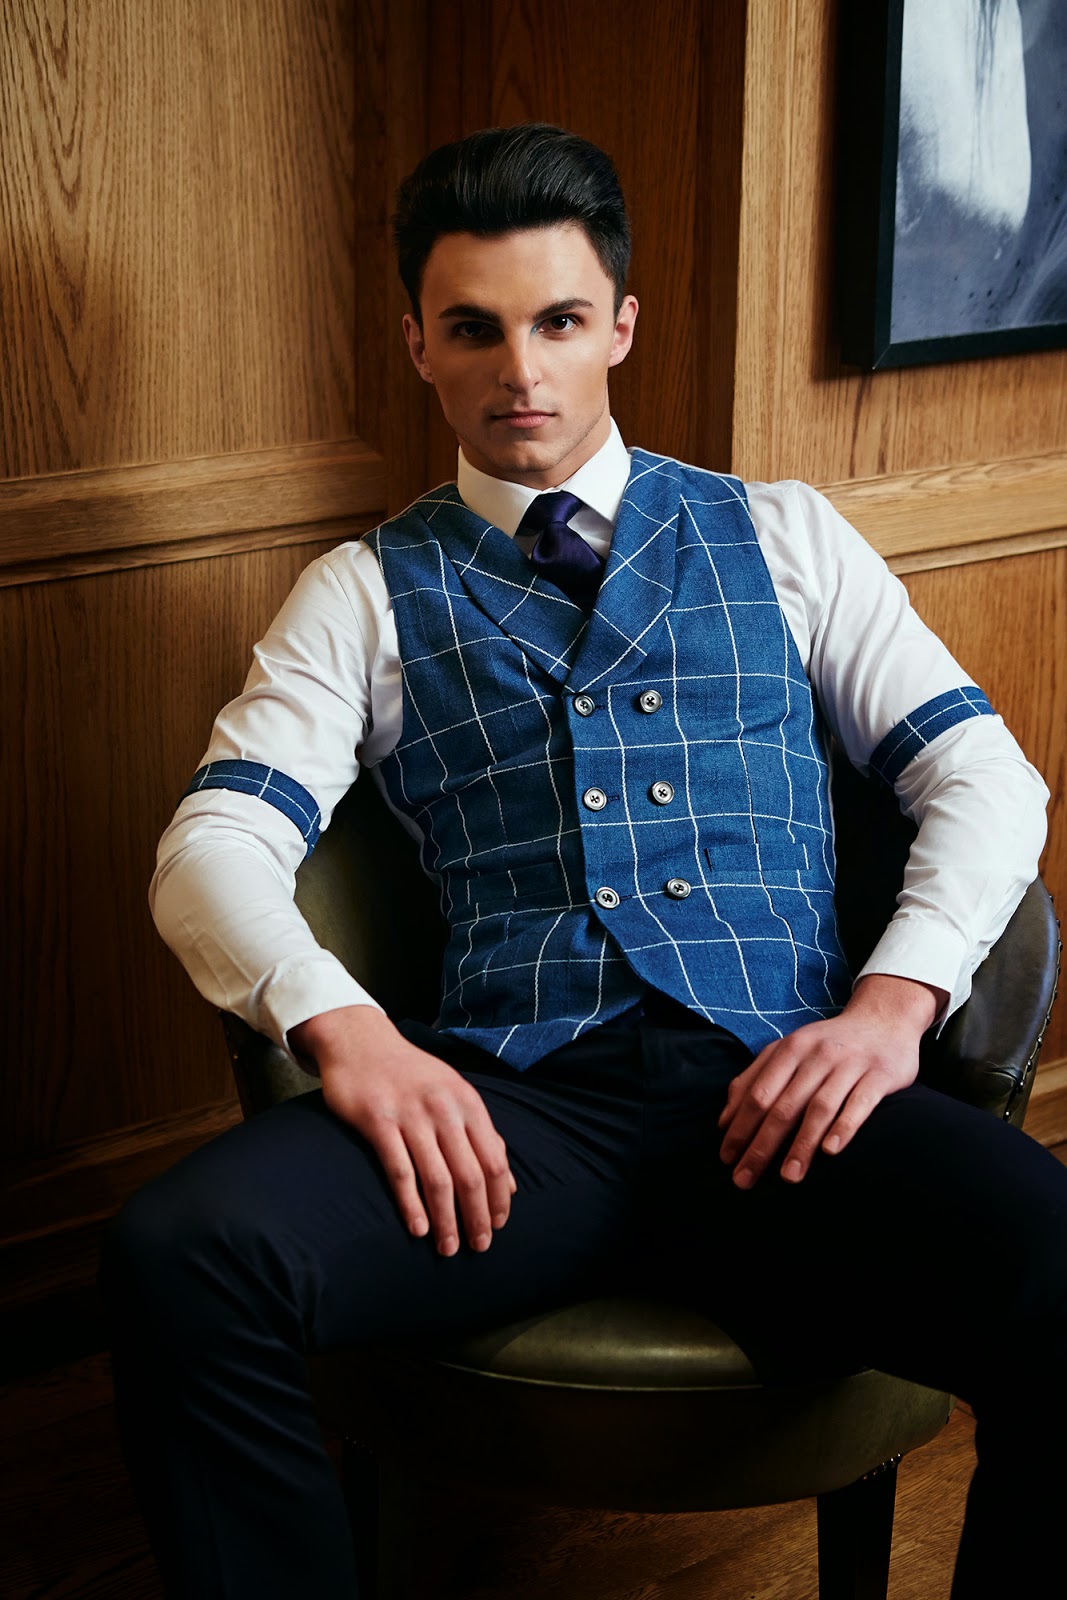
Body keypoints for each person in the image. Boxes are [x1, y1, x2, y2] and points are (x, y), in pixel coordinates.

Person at [100, 124, 1066, 1599]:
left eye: (557, 322)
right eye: (473, 330)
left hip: (784, 1102)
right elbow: (212, 843)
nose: (521, 373)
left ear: (620, 324)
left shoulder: (786, 536)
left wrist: (892, 1008)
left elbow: (985, 776)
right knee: (181, 1254)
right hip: (516, 1125)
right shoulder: (361, 593)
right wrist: (347, 1028)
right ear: (418, 345)